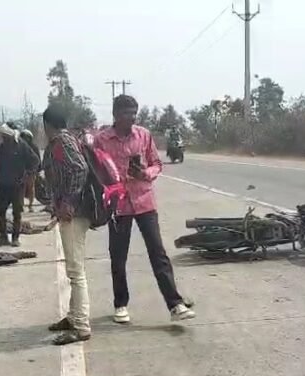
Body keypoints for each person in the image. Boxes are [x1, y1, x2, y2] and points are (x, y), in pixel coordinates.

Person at [93, 95, 196, 323]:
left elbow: (156, 163)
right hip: (118, 205)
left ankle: (175, 304)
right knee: (118, 256)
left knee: (158, 253)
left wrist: (144, 173)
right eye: (126, 113)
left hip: (144, 200)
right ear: (115, 114)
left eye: (133, 113)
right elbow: (96, 170)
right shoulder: (102, 140)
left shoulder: (143, 135)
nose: (131, 118)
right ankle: (120, 304)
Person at [42, 105, 92, 345]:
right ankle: (73, 317)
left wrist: (69, 202)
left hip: (74, 213)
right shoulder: (62, 141)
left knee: (75, 271)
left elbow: (80, 169)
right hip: (68, 212)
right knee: (74, 269)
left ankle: (81, 326)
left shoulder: (62, 142)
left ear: (47, 125)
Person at [0, 123, 40, 247]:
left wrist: (27, 174)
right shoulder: (2, 147)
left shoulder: (22, 146)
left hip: (17, 186)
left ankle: (15, 238)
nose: (3, 138)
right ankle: (3, 237)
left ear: (10, 135)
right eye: (2, 136)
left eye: (5, 136)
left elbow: (35, 160)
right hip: (3, 185)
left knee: (17, 213)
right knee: (0, 211)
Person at [20, 129, 42, 212]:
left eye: (26, 137)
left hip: (31, 171)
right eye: (23, 137)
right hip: (22, 171)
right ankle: (21, 205)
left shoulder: (34, 147)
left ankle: (30, 205)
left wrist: (37, 170)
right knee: (21, 188)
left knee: (31, 188)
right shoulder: (19, 147)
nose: (24, 139)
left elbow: (37, 159)